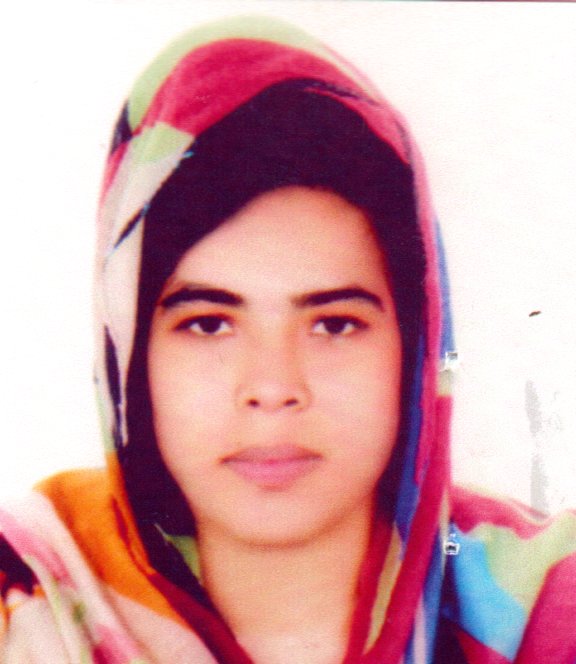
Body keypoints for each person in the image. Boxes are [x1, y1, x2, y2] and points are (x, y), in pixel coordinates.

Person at [1, 15, 576, 664]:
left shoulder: (551, 610)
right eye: (208, 324)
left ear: (416, 351)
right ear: (131, 361)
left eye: (334, 324)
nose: (273, 388)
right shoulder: (28, 598)